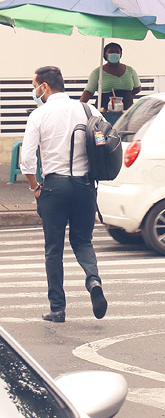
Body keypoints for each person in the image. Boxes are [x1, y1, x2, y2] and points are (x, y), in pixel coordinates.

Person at [22, 65, 108, 322]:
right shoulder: (88, 109)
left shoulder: (39, 115)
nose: (34, 91)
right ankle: (93, 280)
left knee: (54, 249)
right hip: (84, 187)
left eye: (34, 86)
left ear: (44, 87)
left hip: (54, 188)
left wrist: (34, 188)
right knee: (83, 241)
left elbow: (27, 161)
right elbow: (103, 143)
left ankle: (57, 308)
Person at [80, 42, 141, 124]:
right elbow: (88, 92)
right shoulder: (98, 72)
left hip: (126, 111)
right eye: (111, 52)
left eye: (117, 52)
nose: (114, 54)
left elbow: (138, 88)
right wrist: (80, 107)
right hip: (105, 111)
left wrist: (125, 96)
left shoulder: (130, 70)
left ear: (120, 54)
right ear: (105, 54)